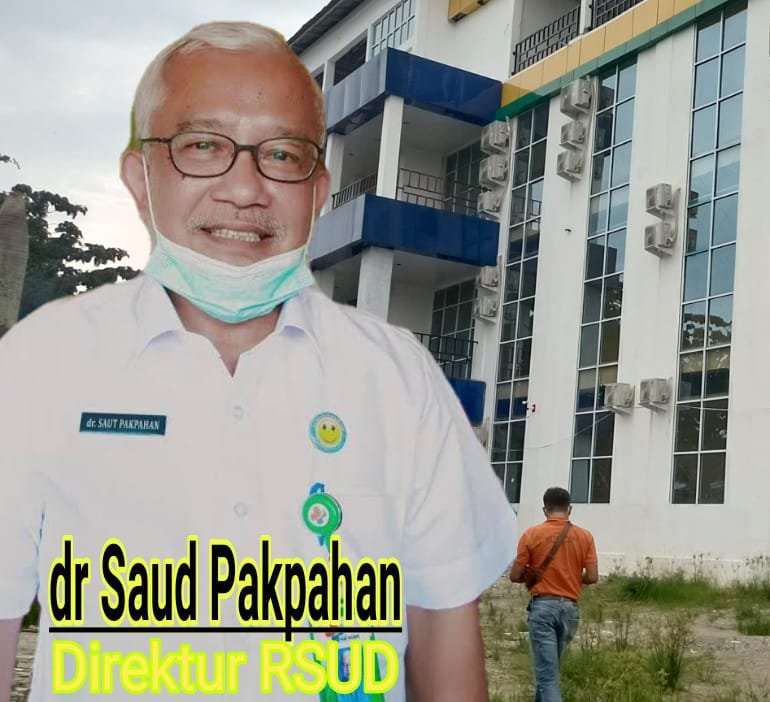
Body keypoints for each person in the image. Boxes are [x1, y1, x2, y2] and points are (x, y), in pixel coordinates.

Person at [0, 22, 517, 700]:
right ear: (139, 177)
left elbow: (444, 637)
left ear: (318, 191)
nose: (245, 189)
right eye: (203, 146)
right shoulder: (41, 363)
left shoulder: (399, 380)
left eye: (281, 154)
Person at [509, 487, 599, 702]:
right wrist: (572, 576)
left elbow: (515, 575)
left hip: (543, 610)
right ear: (570, 509)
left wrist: (535, 574)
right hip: (570, 612)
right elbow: (592, 576)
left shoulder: (531, 535)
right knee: (549, 672)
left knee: (547, 677)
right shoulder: (585, 536)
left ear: (545, 510)